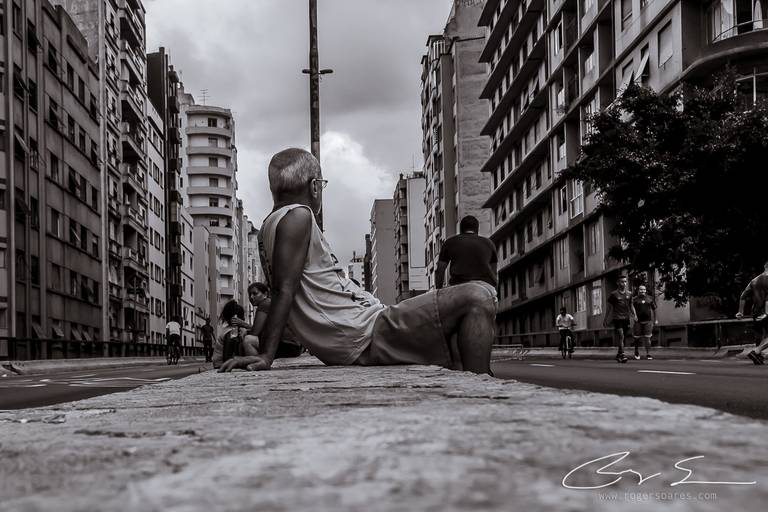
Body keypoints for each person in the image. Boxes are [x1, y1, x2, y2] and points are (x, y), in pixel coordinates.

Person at [219, 148, 497, 374]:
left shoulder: (270, 225)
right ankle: (483, 392)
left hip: (360, 329)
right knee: (478, 296)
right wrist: (267, 355)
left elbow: (285, 291)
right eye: (321, 185)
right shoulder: (299, 216)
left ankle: (472, 384)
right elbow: (284, 289)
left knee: (459, 332)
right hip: (363, 330)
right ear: (314, 186)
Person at [230, 282, 303, 359]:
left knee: (248, 340)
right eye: (250, 294)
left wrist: (243, 325)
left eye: (255, 294)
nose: (251, 297)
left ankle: (256, 363)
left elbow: (255, 332)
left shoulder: (264, 304)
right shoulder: (271, 303)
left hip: (287, 346)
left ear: (265, 294)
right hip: (293, 346)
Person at [435, 215, 497, 289]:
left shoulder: (449, 242)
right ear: (477, 230)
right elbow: (494, 273)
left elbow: (440, 271)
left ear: (460, 229)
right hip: (483, 288)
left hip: (459, 287)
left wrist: (438, 291)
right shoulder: (489, 243)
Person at [736, 261, 768, 365]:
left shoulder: (754, 281)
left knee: (761, 335)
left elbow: (743, 296)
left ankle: (757, 356)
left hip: (756, 312)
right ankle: (757, 351)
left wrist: (740, 312)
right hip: (766, 311)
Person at [603, 275, 637, 363]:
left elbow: (631, 305)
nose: (624, 283)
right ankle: (622, 355)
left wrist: (635, 315)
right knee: (621, 335)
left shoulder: (629, 294)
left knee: (624, 337)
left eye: (625, 281)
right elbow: (609, 307)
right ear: (618, 283)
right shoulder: (613, 294)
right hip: (617, 318)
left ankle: (618, 354)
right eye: (622, 281)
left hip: (626, 318)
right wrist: (605, 319)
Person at [212, 300, 247, 368]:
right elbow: (227, 357)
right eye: (242, 317)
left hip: (220, 363)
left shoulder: (230, 330)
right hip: (221, 364)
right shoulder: (231, 332)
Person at [632, 285, 657, 360]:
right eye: (641, 290)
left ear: (646, 290)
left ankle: (648, 354)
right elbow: (631, 308)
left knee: (648, 338)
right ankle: (636, 352)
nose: (642, 291)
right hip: (638, 322)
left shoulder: (650, 298)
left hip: (648, 321)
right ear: (638, 290)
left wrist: (655, 319)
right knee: (637, 338)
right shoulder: (634, 299)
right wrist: (634, 316)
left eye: (644, 290)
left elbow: (654, 309)